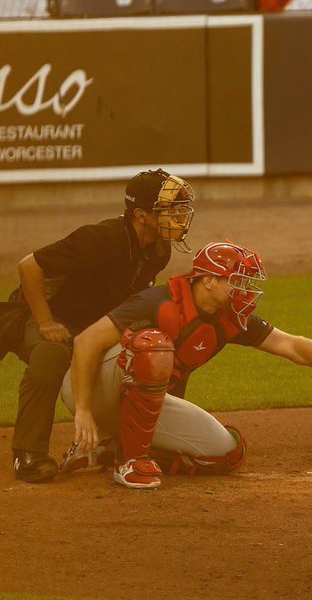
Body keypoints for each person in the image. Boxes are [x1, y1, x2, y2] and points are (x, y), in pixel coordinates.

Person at [61, 241, 312, 489]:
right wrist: (84, 410)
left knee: (225, 451)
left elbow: (290, 345)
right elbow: (85, 342)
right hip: (88, 387)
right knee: (153, 347)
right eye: (236, 281)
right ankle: (129, 462)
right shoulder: (159, 302)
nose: (244, 290)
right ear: (208, 280)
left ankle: (113, 446)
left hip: (137, 402)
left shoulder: (230, 318)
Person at [0, 170, 194, 483]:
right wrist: (45, 322)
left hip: (91, 325)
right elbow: (29, 266)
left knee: (155, 345)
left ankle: (125, 441)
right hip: (40, 314)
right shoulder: (101, 238)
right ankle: (28, 453)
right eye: (168, 209)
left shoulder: (158, 250)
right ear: (141, 215)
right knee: (52, 353)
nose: (178, 216)